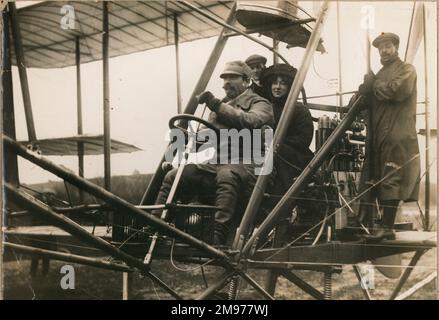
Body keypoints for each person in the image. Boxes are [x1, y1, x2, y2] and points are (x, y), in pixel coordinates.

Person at [155, 61, 274, 245]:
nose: (226, 83)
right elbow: (204, 137)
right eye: (224, 78)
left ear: (246, 80)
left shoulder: (260, 103)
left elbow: (250, 121)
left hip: (248, 163)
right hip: (216, 163)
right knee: (175, 175)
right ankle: (155, 226)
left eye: (232, 77)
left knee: (227, 174)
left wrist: (215, 104)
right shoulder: (220, 106)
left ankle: (217, 236)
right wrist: (182, 146)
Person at [358, 32, 420, 241]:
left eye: (388, 46)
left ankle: (387, 227)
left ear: (396, 48)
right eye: (380, 47)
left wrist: (373, 84)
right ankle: (376, 225)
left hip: (397, 133)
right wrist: (362, 91)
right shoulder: (379, 74)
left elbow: (396, 91)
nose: (384, 51)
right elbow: (366, 102)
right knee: (377, 178)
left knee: (390, 177)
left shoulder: (406, 69)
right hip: (378, 136)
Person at [260, 64, 314, 201]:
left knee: (275, 153)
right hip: (266, 151)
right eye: (274, 83)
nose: (277, 87)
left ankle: (283, 202)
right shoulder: (264, 107)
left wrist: (276, 142)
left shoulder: (299, 110)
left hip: (293, 156)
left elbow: (304, 139)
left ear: (290, 86)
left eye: (282, 83)